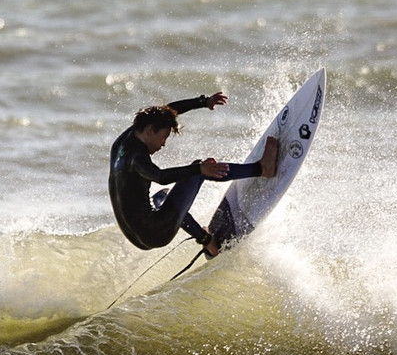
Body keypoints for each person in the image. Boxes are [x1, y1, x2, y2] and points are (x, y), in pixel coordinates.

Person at [108, 92, 277, 257]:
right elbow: (159, 176)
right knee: (197, 171)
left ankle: (206, 240)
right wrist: (199, 169)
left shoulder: (123, 142)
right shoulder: (136, 158)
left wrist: (203, 102)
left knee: (162, 198)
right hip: (156, 232)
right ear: (151, 130)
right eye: (164, 136)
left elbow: (168, 111)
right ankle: (262, 169)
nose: (164, 144)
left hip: (137, 238)